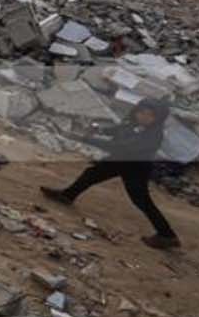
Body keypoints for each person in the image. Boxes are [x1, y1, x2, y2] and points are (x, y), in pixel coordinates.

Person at [41, 99, 180, 249]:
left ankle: (167, 235)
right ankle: (68, 195)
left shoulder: (153, 135)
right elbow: (120, 130)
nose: (143, 117)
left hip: (135, 168)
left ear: (157, 118)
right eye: (141, 112)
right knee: (91, 174)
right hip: (121, 160)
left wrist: (87, 139)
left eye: (150, 115)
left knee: (141, 201)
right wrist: (100, 130)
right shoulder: (135, 124)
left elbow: (119, 146)